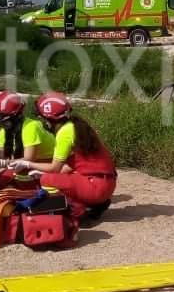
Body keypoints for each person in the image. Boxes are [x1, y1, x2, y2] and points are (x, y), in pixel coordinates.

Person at [12, 91, 116, 221]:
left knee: (46, 181)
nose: (42, 121)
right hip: (105, 184)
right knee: (53, 178)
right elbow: (71, 166)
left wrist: (27, 164)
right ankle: (95, 204)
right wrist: (42, 172)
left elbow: (54, 168)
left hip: (95, 186)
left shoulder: (64, 133)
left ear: (49, 118)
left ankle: (78, 210)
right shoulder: (78, 126)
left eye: (42, 117)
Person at [0, 91, 56, 190]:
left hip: (47, 164)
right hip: (28, 165)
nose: (2, 124)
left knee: (9, 182)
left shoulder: (31, 127)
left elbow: (29, 159)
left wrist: (2, 163)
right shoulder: (3, 132)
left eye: (4, 120)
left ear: (16, 116)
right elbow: (3, 158)